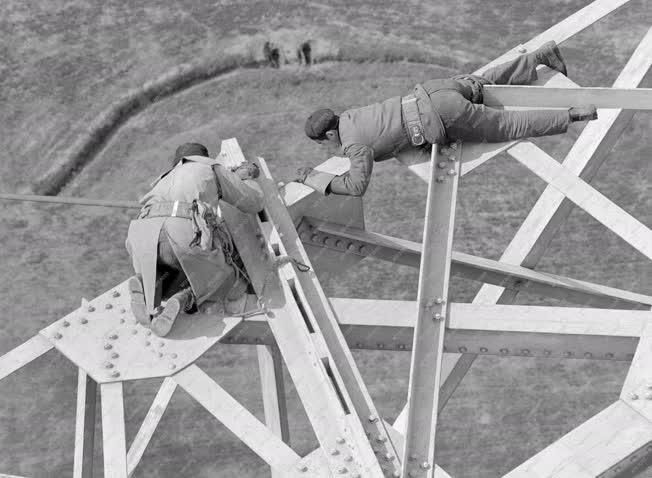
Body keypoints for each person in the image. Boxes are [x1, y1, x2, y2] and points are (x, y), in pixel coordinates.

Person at [297, 41, 598, 197]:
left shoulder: (353, 146)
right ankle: (540, 57)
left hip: (441, 116)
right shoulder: (351, 116)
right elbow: (387, 133)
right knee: (482, 83)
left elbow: (355, 186)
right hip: (432, 90)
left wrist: (312, 178)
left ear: (328, 136)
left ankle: (573, 115)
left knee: (506, 126)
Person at [125, 143, 264, 337]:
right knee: (223, 275)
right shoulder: (209, 167)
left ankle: (147, 284)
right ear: (203, 156)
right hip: (181, 229)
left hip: (140, 235)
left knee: (169, 269)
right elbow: (253, 202)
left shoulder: (161, 180)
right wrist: (245, 178)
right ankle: (186, 298)